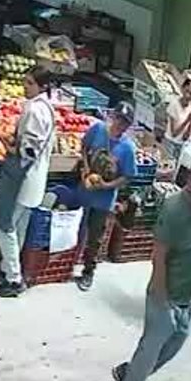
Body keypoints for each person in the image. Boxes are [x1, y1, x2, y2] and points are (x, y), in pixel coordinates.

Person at [108, 156, 191, 381]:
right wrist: (161, 299)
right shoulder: (173, 209)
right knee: (152, 346)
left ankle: (128, 373)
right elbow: (158, 257)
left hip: (187, 297)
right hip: (164, 293)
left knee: (175, 344)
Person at [0, 67, 57, 298]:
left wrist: (4, 141)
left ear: (42, 86)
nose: (24, 87)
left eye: (29, 83)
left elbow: (28, 150)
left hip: (22, 178)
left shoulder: (35, 110)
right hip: (35, 179)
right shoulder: (48, 108)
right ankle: (8, 268)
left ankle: (14, 279)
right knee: (18, 226)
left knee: (4, 224)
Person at [75, 103, 138, 292]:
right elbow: (84, 147)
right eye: (118, 118)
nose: (120, 124)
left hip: (103, 200)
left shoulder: (127, 148)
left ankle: (88, 271)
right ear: (113, 116)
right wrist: (86, 168)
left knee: (95, 236)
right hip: (84, 190)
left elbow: (127, 176)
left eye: (125, 122)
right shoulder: (98, 129)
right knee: (76, 228)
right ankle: (68, 262)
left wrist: (106, 186)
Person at [165, 79, 191, 185]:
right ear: (182, 90)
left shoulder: (190, 109)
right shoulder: (174, 105)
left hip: (180, 145)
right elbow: (174, 132)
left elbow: (185, 136)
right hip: (169, 143)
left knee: (173, 174)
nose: (188, 96)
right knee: (165, 172)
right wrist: (187, 120)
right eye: (187, 91)